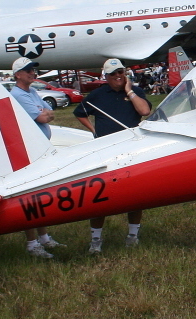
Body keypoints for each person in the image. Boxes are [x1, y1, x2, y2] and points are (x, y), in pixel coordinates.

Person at [74, 59, 152, 253]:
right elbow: (80, 113)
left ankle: (133, 235)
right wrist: (93, 130)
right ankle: (96, 240)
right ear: (106, 77)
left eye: (121, 72)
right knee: (101, 197)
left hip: (132, 150)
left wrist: (129, 91)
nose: (118, 76)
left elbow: (145, 110)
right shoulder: (97, 95)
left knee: (136, 196)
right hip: (106, 152)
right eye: (113, 74)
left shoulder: (135, 92)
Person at [9, 57, 65, 259]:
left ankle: (44, 237)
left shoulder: (31, 91)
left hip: (40, 149)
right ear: (18, 75)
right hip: (29, 151)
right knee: (31, 196)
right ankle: (32, 243)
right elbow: (43, 117)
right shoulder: (18, 94)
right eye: (28, 70)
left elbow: (51, 113)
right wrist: (44, 113)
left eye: (33, 69)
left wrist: (45, 113)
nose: (33, 73)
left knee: (41, 194)